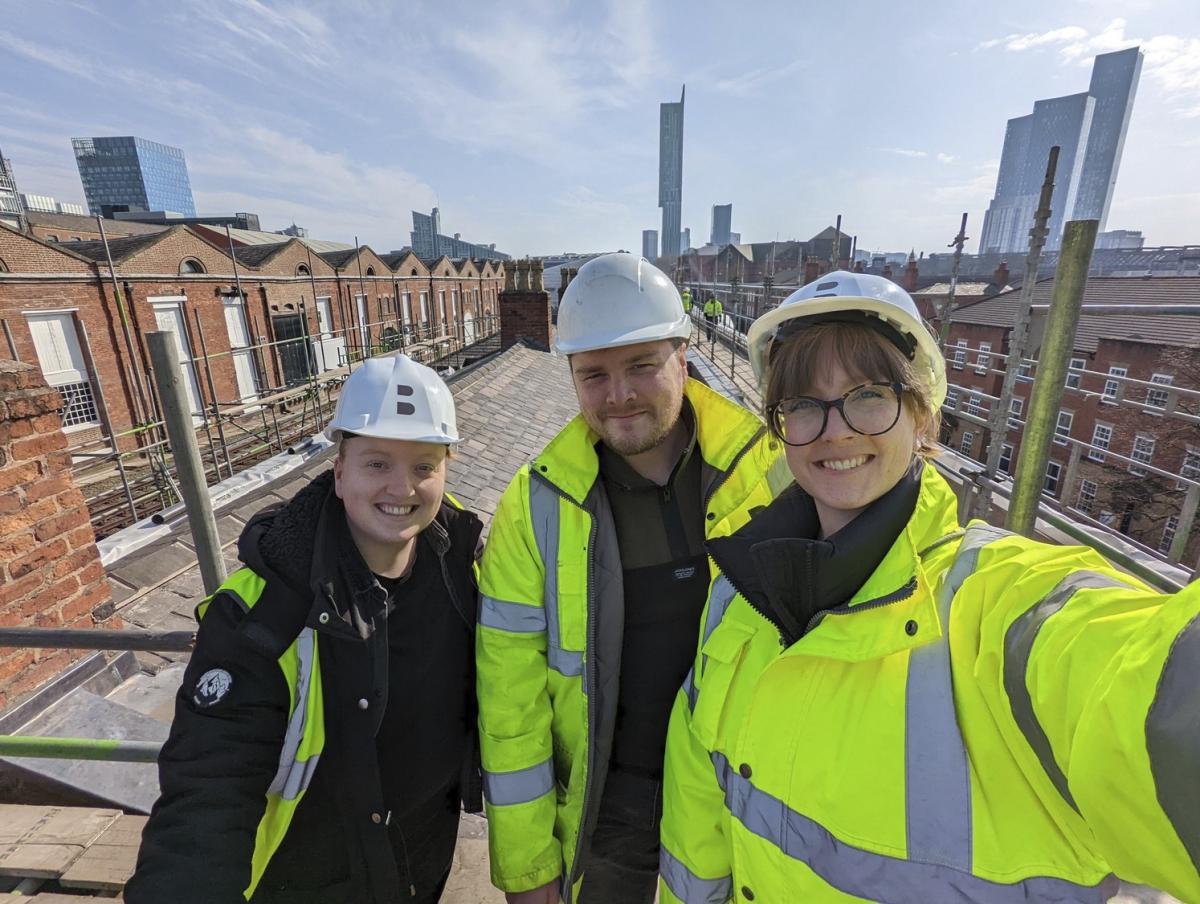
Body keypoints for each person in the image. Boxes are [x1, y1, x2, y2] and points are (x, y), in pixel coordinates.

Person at [658, 271, 1200, 904]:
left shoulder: (999, 610)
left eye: (867, 395)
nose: (836, 430)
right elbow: (698, 823)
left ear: (920, 415)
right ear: (780, 428)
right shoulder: (737, 597)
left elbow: (1140, 686)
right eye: (803, 403)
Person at [477, 252, 787, 904]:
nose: (618, 395)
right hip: (612, 817)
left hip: (746, 805)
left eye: (641, 365)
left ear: (683, 352)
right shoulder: (536, 508)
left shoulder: (768, 471)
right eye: (594, 374)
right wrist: (530, 869)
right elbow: (512, 709)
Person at [127, 355, 484, 904]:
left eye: (423, 465)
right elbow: (210, 784)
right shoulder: (263, 610)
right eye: (377, 463)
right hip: (311, 879)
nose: (402, 487)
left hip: (424, 860)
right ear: (339, 472)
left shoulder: (465, 564)